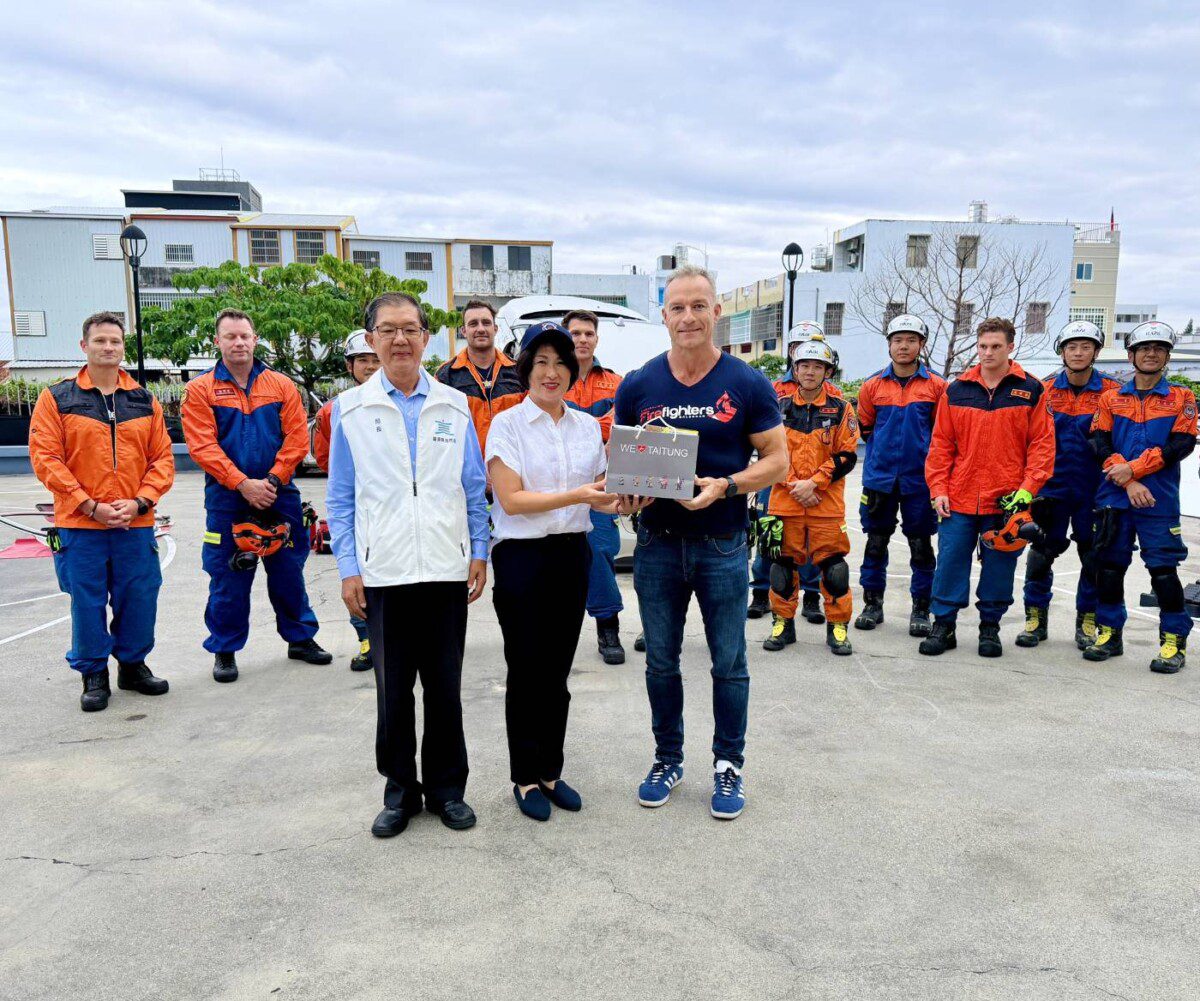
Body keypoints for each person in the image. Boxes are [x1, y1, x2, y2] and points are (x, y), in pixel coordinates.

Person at [613, 264, 787, 821]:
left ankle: (728, 764)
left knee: (729, 663)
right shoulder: (639, 385)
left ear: (717, 313)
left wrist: (728, 486)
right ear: (663, 316)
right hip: (659, 544)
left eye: (698, 306)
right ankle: (668, 758)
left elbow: (778, 460)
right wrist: (629, 496)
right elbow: (626, 465)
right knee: (661, 662)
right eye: (677, 307)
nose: (688, 317)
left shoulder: (747, 382)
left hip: (723, 545)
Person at [326, 292, 490, 837]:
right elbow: (342, 498)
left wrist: (479, 550)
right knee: (393, 691)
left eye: (410, 329)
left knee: (444, 687)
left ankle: (448, 790)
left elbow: (472, 486)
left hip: (445, 568)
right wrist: (349, 566)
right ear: (370, 339)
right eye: (388, 330)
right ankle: (400, 792)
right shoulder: (350, 410)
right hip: (384, 573)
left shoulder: (453, 404)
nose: (400, 339)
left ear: (426, 338)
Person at [487, 321, 615, 820]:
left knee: (558, 671)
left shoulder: (586, 426)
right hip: (522, 559)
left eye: (561, 362)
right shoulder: (508, 424)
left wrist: (627, 500)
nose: (552, 372)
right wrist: (582, 494)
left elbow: (602, 495)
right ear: (525, 370)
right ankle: (524, 778)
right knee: (526, 669)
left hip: (571, 556)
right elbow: (512, 500)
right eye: (540, 362)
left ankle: (551, 771)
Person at [28, 311, 175, 712]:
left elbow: (162, 458)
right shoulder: (56, 398)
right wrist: (88, 504)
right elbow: (46, 458)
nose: (108, 347)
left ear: (123, 347)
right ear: (84, 346)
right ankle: (94, 674)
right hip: (81, 524)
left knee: (140, 595)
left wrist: (140, 501)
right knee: (87, 600)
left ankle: (133, 665)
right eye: (100, 341)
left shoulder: (143, 400)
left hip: (135, 522)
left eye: (115, 341)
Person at [182, 308, 331, 682]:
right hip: (226, 497)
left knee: (288, 571)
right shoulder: (199, 390)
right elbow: (202, 446)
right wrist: (241, 483)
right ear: (217, 342)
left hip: (279, 494)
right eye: (230, 336)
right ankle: (225, 649)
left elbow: (297, 439)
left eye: (244, 336)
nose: (238, 342)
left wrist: (274, 480)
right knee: (228, 576)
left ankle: (300, 638)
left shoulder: (281, 386)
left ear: (255, 338)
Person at [920, 317, 1055, 658]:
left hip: (1007, 502)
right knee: (949, 562)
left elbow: (1042, 444)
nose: (988, 353)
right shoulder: (957, 390)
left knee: (999, 567)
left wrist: (1028, 489)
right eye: (983, 346)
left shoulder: (1032, 390)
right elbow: (941, 446)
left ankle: (990, 629)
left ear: (1011, 347)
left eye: (996, 346)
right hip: (959, 497)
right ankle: (944, 626)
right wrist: (938, 490)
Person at [1087, 320, 1197, 672]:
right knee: (1109, 568)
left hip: (1158, 501)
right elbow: (1098, 442)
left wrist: (1134, 471)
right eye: (1144, 348)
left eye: (1159, 348)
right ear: (1131, 355)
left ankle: (1173, 641)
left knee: (1163, 571)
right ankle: (1109, 632)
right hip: (1115, 496)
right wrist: (1126, 478)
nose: (1151, 353)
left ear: (1166, 356)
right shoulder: (1110, 397)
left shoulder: (1183, 398)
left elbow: (1181, 444)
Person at [1015, 321, 1120, 651]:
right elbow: (1027, 440)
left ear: (1096, 352)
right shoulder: (1043, 389)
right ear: (1061, 351)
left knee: (1093, 559)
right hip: (1052, 489)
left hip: (1095, 490)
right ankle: (1035, 618)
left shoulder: (1114, 393)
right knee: (1041, 555)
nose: (1078, 352)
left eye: (1086, 346)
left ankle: (1087, 620)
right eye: (1072, 346)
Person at [760, 336, 859, 656]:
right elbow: (766, 452)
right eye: (805, 365)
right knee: (780, 564)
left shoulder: (842, 409)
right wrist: (794, 484)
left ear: (828, 371)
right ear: (795, 368)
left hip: (825, 503)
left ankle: (838, 626)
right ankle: (782, 623)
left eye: (818, 366)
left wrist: (814, 484)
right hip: (784, 501)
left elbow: (847, 455)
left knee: (834, 568)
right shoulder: (777, 408)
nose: (811, 372)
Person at [853, 314, 947, 637]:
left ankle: (921, 607)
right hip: (879, 480)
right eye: (897, 340)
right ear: (889, 345)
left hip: (920, 482)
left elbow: (941, 433)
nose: (903, 346)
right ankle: (872, 603)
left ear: (921, 344)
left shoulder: (937, 386)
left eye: (910, 340)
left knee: (921, 545)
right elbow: (866, 429)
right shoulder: (872, 386)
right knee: (875, 542)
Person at [748, 321, 836, 625]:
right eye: (799, 349)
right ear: (790, 352)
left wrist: (813, 484)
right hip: (776, 480)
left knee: (813, 543)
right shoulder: (772, 391)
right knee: (769, 535)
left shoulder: (833, 396)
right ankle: (761, 592)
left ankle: (811, 597)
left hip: (817, 485)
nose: (808, 363)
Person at [562, 308, 628, 665]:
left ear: (597, 339)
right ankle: (555, 632)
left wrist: (583, 425)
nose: (582, 339)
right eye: (575, 333)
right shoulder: (553, 377)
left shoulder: (617, 383)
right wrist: (599, 426)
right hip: (555, 485)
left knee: (601, 551)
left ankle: (609, 628)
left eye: (588, 333)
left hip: (602, 484)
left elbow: (621, 427)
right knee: (555, 561)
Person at [312, 329, 381, 672]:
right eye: (363, 360)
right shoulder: (335, 410)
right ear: (350, 366)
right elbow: (327, 458)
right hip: (353, 504)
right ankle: (366, 639)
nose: (369, 366)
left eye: (374, 359)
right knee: (354, 574)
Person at [435, 299, 524, 458]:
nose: (480, 329)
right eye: (473, 324)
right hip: (465, 474)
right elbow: (440, 429)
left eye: (486, 323)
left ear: (495, 329)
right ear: (463, 330)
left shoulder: (519, 372)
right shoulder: (446, 376)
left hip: (512, 469)